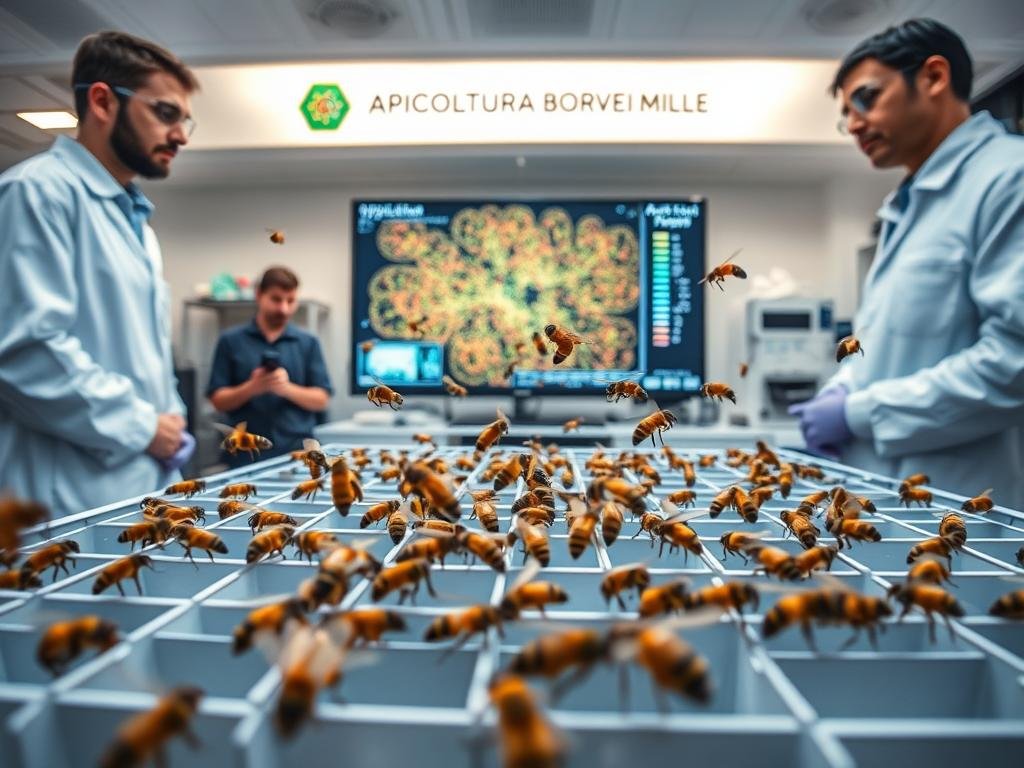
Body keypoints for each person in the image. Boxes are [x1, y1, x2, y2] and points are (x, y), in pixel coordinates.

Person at [790, 19, 1024, 509]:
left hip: (969, 515)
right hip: (897, 505)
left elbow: (1013, 362)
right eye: (846, 114)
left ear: (934, 77)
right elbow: (889, 350)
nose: (853, 124)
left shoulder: (1010, 179)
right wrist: (843, 388)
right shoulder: (907, 207)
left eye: (865, 99)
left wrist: (859, 414)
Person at [0, 31, 200, 514]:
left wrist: (171, 419)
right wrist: (144, 427)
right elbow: (27, 352)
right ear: (103, 101)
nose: (179, 135)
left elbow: (142, 357)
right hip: (64, 496)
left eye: (185, 121)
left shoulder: (136, 223)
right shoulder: (37, 193)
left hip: (137, 484)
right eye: (166, 113)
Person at [207, 267, 332, 467]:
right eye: (276, 299)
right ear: (259, 295)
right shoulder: (230, 341)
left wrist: (285, 388)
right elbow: (218, 401)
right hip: (244, 455)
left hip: (297, 453)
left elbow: (322, 399)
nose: (283, 308)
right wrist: (252, 387)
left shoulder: (308, 343)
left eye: (290, 301)